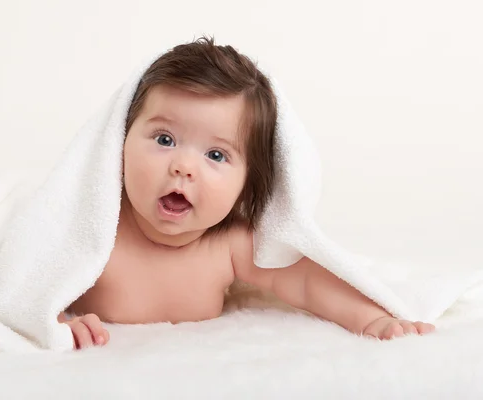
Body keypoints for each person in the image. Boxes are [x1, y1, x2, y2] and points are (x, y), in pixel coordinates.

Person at [58, 36, 435, 349]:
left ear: (247, 184)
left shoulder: (229, 243)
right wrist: (54, 322)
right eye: (165, 139)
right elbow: (26, 278)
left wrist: (372, 320)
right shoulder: (95, 225)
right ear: (119, 140)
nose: (183, 166)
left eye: (216, 154)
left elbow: (305, 282)